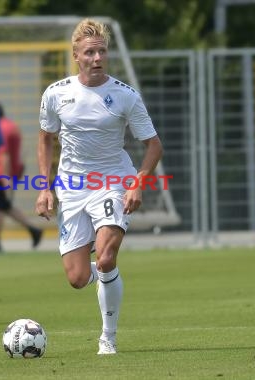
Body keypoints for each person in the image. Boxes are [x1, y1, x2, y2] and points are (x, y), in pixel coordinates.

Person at [35, 18, 163, 354]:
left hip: (113, 182)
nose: (97, 57)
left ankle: (108, 337)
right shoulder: (56, 93)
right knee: (77, 278)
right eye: (89, 52)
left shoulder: (124, 96)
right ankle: (104, 277)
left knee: (106, 258)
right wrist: (45, 188)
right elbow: (46, 138)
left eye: (102, 51)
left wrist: (136, 184)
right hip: (72, 187)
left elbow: (154, 145)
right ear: (76, 55)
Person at [0, 102, 43, 253]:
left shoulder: (1, 128)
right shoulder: (11, 126)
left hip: (2, 174)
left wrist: (4, 176)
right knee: (2, 208)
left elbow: (4, 154)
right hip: (9, 172)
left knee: (0, 207)